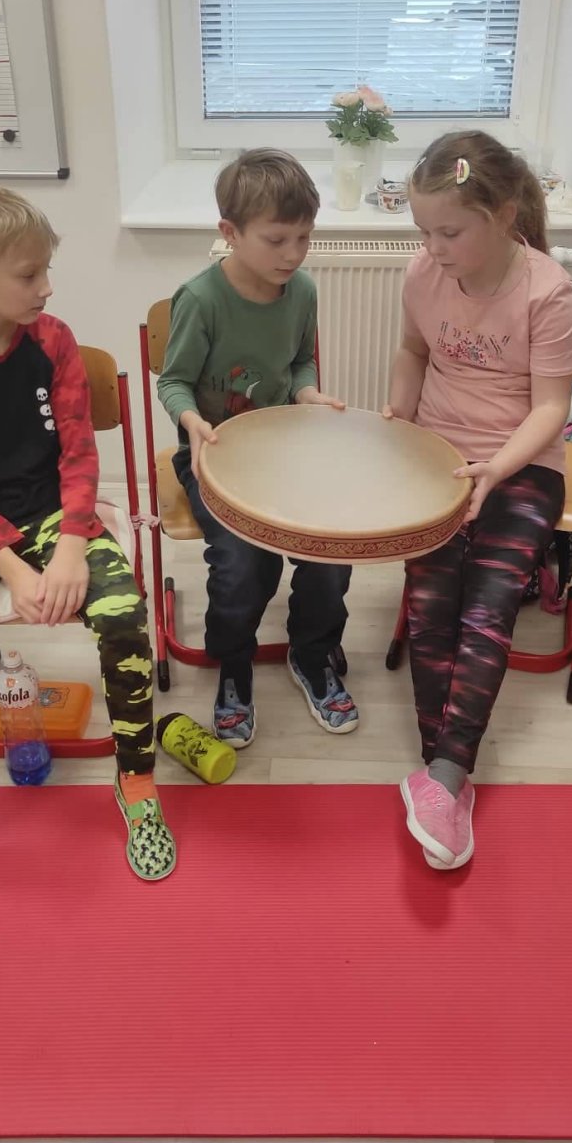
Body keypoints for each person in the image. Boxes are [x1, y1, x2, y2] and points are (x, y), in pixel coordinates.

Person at [0, 186, 174, 939]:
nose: (46, 287)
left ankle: (137, 782)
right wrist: (15, 569)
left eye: (46, 270)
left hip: (57, 514)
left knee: (124, 617)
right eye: (28, 274)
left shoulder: (52, 340)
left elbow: (79, 455)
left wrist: (74, 545)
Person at [387, 132, 572, 871]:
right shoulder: (422, 273)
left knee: (488, 605)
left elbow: (550, 408)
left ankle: (445, 772)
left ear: (502, 215)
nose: (432, 249)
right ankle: (443, 774)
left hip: (522, 464)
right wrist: (399, 420)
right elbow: (414, 352)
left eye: (449, 232)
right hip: (437, 458)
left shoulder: (548, 292)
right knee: (431, 599)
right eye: (424, 232)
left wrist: (495, 470)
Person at [157, 149, 356, 748]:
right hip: (214, 457)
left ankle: (311, 653)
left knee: (332, 550)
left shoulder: (303, 291)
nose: (293, 254)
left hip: (285, 453)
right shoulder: (200, 299)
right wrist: (192, 422)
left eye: (304, 237)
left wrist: (308, 392)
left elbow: (298, 363)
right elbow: (173, 381)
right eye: (276, 240)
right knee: (244, 565)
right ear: (230, 232)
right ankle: (235, 663)